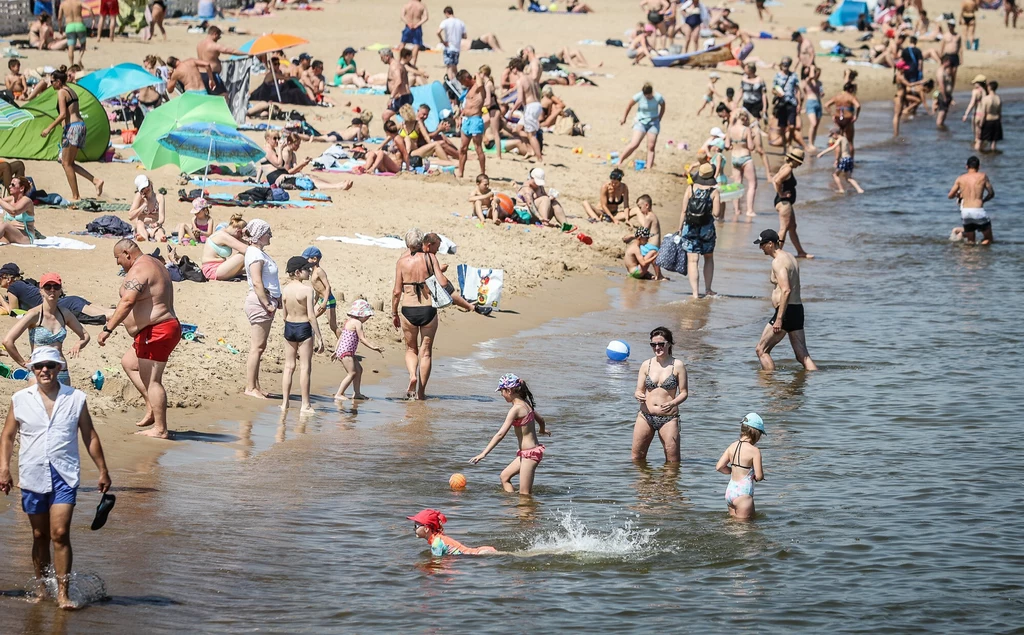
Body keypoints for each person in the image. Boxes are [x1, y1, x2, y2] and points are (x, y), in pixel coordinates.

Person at [0, 346, 111, 610]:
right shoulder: (20, 399)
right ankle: (41, 589)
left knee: (59, 533)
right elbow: (7, 436)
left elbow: (90, 435)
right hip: (32, 473)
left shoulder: (76, 398)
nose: (44, 370)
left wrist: (103, 470)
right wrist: (4, 468)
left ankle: (63, 593)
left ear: (60, 368)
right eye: (39, 366)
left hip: (65, 473)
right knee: (40, 535)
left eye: (50, 365)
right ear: (33, 369)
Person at [98, 239, 181, 438]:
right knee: (129, 362)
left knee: (153, 381)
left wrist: (108, 329)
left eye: (117, 258)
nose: (117, 263)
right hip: (157, 329)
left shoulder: (139, 270)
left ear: (126, 253)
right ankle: (152, 407)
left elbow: (127, 301)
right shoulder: (155, 263)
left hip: (157, 330)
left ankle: (160, 429)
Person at [470, 373, 550, 495]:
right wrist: (542, 430)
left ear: (509, 390)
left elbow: (500, 434)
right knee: (504, 477)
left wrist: (483, 453)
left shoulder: (515, 409)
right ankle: (513, 506)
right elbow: (541, 420)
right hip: (527, 453)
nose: (502, 395)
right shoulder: (526, 403)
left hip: (530, 455)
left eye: (501, 391)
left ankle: (527, 512)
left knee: (524, 494)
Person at [3, 273, 89, 386]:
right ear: (41, 290)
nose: (52, 290)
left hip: (61, 372)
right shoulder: (34, 314)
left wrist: (78, 345)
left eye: (56, 287)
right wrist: (23, 363)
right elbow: (8, 341)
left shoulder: (65, 314)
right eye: (48, 287)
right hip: (39, 371)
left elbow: (85, 335)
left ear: (60, 290)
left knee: (63, 403)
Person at [753, 229, 817, 371]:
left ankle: (770, 384)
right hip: (797, 309)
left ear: (771, 244)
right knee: (803, 356)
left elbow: (786, 289)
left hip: (785, 311)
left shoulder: (778, 262)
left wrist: (779, 319)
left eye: (762, 244)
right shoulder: (790, 257)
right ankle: (817, 384)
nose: (760, 248)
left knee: (761, 350)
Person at [41, 68, 103, 202]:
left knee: (66, 163)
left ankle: (76, 196)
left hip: (73, 128)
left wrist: (48, 128)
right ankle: (96, 181)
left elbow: (63, 114)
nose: (51, 84)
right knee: (69, 163)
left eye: (52, 81)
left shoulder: (62, 92)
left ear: (58, 81)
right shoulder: (72, 90)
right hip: (79, 126)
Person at [392, 229, 439, 400]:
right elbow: (438, 278)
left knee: (411, 348)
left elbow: (397, 291)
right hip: (428, 309)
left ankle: (413, 375)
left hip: (408, 309)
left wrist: (394, 312)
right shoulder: (430, 258)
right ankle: (421, 393)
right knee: (426, 352)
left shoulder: (401, 262)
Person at [631, 327, 688, 463]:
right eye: (653, 344)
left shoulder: (678, 365)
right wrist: (638, 394)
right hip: (645, 416)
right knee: (637, 459)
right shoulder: (646, 365)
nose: (657, 347)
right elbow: (638, 389)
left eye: (661, 344)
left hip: (668, 418)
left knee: (673, 462)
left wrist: (673, 403)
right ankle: (644, 483)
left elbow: (684, 393)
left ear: (669, 344)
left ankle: (669, 484)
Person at [279, 256, 324, 415]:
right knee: (305, 367)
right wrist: (319, 337)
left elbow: (284, 315)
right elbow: (311, 316)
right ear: (297, 272)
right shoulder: (307, 290)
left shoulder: (285, 290)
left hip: (289, 327)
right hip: (303, 327)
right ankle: (305, 404)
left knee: (289, 366)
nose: (309, 271)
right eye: (307, 269)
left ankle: (285, 403)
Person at [241, 219, 279, 399]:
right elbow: (257, 282)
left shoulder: (257, 252)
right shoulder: (255, 254)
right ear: (260, 235)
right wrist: (268, 304)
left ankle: (255, 385)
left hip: (263, 302)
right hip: (260, 303)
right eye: (268, 232)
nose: (271, 235)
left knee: (260, 346)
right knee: (256, 347)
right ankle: (250, 387)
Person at [678, 164, 720, 298]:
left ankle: (695, 294)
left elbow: (684, 210)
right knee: (708, 258)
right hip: (706, 229)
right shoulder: (714, 192)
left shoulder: (690, 188)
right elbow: (717, 213)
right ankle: (708, 289)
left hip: (690, 227)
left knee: (692, 260)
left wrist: (679, 228)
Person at [715, 413, 766, 520]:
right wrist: (757, 477)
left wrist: (733, 470)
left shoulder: (732, 446)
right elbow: (759, 476)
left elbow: (719, 467)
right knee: (746, 530)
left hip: (730, 492)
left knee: (732, 526)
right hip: (743, 494)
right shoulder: (755, 451)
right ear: (756, 434)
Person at [333, 299, 382, 401]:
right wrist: (373, 347)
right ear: (362, 315)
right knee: (352, 373)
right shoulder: (357, 323)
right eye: (367, 317)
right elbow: (362, 338)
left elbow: (341, 336)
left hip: (346, 351)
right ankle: (339, 393)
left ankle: (357, 393)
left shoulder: (349, 321)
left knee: (359, 370)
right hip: (346, 353)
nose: (367, 319)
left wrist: (335, 350)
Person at [771, 148, 812, 258]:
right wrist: (781, 194)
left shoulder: (785, 167)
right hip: (784, 202)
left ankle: (800, 252)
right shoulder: (788, 169)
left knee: (792, 226)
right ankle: (777, 253)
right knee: (783, 228)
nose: (799, 164)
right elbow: (777, 180)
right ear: (795, 160)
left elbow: (773, 179)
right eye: (799, 162)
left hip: (784, 202)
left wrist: (779, 192)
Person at [947, 155, 995, 244]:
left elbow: (950, 195)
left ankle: (969, 257)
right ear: (979, 167)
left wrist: (958, 195)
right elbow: (991, 193)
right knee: (988, 239)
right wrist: (983, 200)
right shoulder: (983, 176)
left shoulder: (960, 178)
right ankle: (983, 255)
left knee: (970, 241)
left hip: (965, 212)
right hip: (978, 210)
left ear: (966, 166)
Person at [408, 509, 498, 556]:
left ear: (426, 529)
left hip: (479, 554)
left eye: (416, 526)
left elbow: (437, 563)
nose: (413, 528)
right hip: (479, 552)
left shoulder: (436, 543)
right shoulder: (438, 538)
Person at [506, 58, 544, 163]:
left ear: (515, 69)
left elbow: (520, 99)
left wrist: (511, 111)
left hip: (531, 106)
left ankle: (539, 158)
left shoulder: (520, 81)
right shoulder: (531, 78)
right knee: (518, 129)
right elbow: (538, 92)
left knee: (531, 134)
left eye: (511, 68)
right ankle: (530, 150)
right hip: (536, 105)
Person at [619, 82, 665, 169]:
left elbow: (663, 105)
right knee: (634, 144)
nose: (647, 97)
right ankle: (620, 160)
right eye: (646, 95)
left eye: (649, 95)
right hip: (640, 122)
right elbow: (629, 105)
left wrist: (660, 117)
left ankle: (648, 167)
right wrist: (624, 118)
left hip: (653, 122)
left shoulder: (657, 97)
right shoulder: (639, 96)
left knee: (651, 146)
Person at [300, 246, 338, 339]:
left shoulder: (319, 271)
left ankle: (343, 344)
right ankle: (311, 341)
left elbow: (328, 286)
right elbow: (318, 291)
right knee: (309, 319)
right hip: (321, 300)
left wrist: (325, 302)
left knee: (333, 326)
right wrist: (313, 303)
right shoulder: (312, 272)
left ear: (314, 259)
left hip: (328, 300)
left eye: (307, 259)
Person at [197, 26, 246, 96]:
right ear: (215, 34)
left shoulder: (199, 44)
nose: (218, 39)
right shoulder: (214, 45)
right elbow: (231, 51)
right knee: (224, 95)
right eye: (218, 37)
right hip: (211, 74)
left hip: (200, 74)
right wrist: (247, 54)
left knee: (208, 96)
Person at [200, 214, 248, 281]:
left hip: (216, 268)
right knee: (245, 254)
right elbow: (245, 249)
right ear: (238, 231)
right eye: (241, 235)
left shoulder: (223, 232)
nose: (240, 237)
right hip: (212, 270)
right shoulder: (222, 236)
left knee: (246, 268)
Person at [456, 69, 486, 178]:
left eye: (462, 82)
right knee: (463, 148)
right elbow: (466, 106)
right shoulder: (468, 90)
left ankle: (482, 173)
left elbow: (480, 83)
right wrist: (460, 117)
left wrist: (476, 73)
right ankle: (460, 172)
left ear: (467, 79)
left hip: (475, 119)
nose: (462, 84)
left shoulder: (479, 88)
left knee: (478, 147)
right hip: (466, 120)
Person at [816, 128, 864, 194]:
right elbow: (841, 151)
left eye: (832, 136)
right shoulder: (845, 139)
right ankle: (859, 189)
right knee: (848, 178)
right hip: (849, 159)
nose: (832, 138)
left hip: (844, 159)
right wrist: (837, 160)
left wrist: (821, 153)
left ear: (835, 134)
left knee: (835, 175)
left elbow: (833, 147)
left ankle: (841, 189)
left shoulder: (840, 139)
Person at [0, 176, 40, 245]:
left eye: (13, 185)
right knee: (3, 224)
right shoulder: (11, 199)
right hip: (11, 233)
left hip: (25, 236)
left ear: (21, 188)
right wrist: (10, 224)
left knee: (5, 225)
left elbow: (14, 211)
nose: (9, 187)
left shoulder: (27, 201)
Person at [772, 57, 800, 152]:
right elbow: (773, 89)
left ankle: (789, 143)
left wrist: (799, 103)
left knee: (792, 126)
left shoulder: (793, 76)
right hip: (781, 103)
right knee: (782, 126)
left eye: (787, 64)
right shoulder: (777, 76)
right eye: (783, 64)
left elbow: (797, 90)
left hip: (791, 102)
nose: (785, 66)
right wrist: (777, 93)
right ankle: (785, 145)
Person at [127, 175, 166, 242]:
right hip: (142, 225)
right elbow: (130, 216)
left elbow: (162, 218)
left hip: (155, 225)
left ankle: (160, 238)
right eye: (143, 188)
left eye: (147, 186)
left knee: (160, 235)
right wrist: (144, 205)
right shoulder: (139, 197)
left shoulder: (159, 197)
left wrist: (156, 224)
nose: (146, 189)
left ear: (150, 183)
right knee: (139, 224)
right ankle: (144, 238)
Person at [824, 81, 860, 147]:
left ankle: (837, 157)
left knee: (837, 140)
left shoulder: (837, 96)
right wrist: (856, 116)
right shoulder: (851, 97)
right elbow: (858, 106)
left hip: (838, 118)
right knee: (850, 142)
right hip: (848, 119)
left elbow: (826, 105)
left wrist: (832, 114)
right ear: (851, 89)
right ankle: (850, 157)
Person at [381, 49, 412, 121]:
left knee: (385, 116)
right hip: (402, 96)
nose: (381, 60)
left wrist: (391, 98)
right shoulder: (395, 64)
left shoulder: (394, 66)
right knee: (405, 118)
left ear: (387, 56)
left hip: (402, 97)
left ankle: (392, 132)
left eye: (382, 58)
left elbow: (399, 81)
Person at [437, 6, 466, 81]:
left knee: (449, 68)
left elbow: (438, 32)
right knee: (455, 68)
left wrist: (443, 41)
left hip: (449, 47)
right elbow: (464, 36)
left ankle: (452, 85)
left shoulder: (445, 22)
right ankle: (458, 83)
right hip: (457, 48)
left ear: (446, 13)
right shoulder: (460, 22)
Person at [57, 0, 88, 66]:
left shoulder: (63, 4)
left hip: (69, 26)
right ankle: (79, 59)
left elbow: (59, 18)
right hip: (80, 25)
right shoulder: (78, 2)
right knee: (83, 45)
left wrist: (60, 27)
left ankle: (71, 65)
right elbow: (89, 8)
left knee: (70, 48)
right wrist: (93, 19)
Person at [400, 0, 429, 67]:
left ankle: (400, 60)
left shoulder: (407, 4)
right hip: (417, 27)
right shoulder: (422, 6)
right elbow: (426, 17)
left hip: (408, 26)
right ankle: (413, 62)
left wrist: (408, 23)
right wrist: (417, 24)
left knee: (403, 43)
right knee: (416, 44)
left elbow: (402, 16)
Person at [962, 74, 987, 151]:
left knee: (976, 136)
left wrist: (966, 114)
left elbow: (972, 103)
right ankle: (983, 149)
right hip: (984, 115)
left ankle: (977, 152)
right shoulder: (985, 91)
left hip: (977, 114)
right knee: (982, 134)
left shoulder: (975, 91)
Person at [802, 65, 823, 149]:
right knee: (813, 123)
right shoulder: (808, 81)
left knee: (816, 125)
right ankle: (810, 143)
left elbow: (821, 92)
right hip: (810, 103)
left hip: (818, 103)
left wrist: (821, 93)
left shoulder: (819, 83)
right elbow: (810, 77)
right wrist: (812, 68)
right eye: (817, 73)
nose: (818, 75)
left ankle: (813, 143)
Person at [979, 80, 1002, 153]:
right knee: (994, 142)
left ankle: (980, 154)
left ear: (989, 87)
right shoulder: (998, 98)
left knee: (981, 140)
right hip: (996, 120)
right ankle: (993, 156)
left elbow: (983, 113)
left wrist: (981, 124)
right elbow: (999, 113)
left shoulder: (985, 99)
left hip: (988, 120)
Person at [941, 18, 963, 90]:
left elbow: (960, 47)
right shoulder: (945, 35)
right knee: (948, 73)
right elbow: (942, 46)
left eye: (952, 25)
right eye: (949, 25)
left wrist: (961, 58)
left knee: (954, 73)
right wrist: (941, 57)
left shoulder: (958, 36)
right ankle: (946, 87)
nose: (951, 27)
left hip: (955, 56)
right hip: (947, 55)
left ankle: (951, 90)